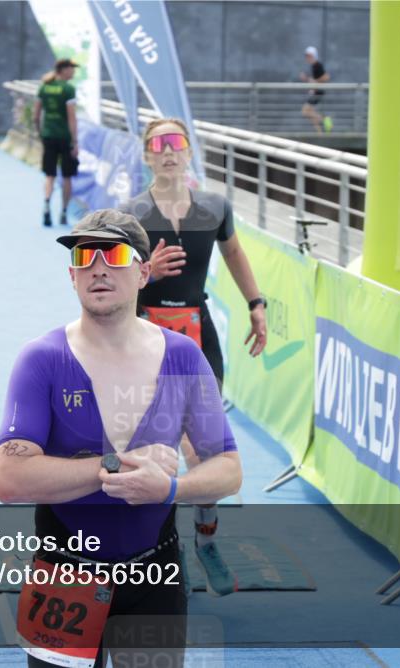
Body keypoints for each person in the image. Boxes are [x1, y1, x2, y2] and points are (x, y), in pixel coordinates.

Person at [0, 209, 241, 668]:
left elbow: (228, 469)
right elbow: (10, 478)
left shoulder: (184, 358)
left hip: (156, 574)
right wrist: (114, 467)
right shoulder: (41, 360)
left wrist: (171, 489)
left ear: (144, 271)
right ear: (72, 276)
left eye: (113, 254)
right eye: (85, 256)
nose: (98, 268)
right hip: (64, 575)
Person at [119, 117, 268, 597]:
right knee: (156, 452)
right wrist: (147, 271)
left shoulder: (215, 208)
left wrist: (256, 304)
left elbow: (235, 254)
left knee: (206, 453)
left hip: (198, 339)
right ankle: (164, 551)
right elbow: (110, 286)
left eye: (176, 143)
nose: (168, 151)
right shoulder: (130, 216)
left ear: (189, 152)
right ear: (146, 155)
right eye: (158, 144)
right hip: (144, 339)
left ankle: (205, 541)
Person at [33, 58, 79, 227]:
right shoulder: (68, 89)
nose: (73, 71)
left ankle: (46, 204)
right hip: (65, 138)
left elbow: (36, 116)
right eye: (71, 68)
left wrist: (40, 134)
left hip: (48, 136)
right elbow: (71, 117)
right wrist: (75, 141)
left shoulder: (44, 87)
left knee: (49, 175)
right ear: (63, 69)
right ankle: (64, 212)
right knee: (67, 177)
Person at [300, 46, 332, 134]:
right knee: (311, 113)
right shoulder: (314, 66)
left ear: (313, 56)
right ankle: (319, 133)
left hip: (318, 92)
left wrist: (315, 82)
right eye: (306, 56)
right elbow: (313, 80)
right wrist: (307, 79)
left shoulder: (317, 65)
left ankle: (325, 120)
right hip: (316, 92)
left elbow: (326, 77)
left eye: (308, 56)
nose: (307, 58)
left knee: (305, 112)